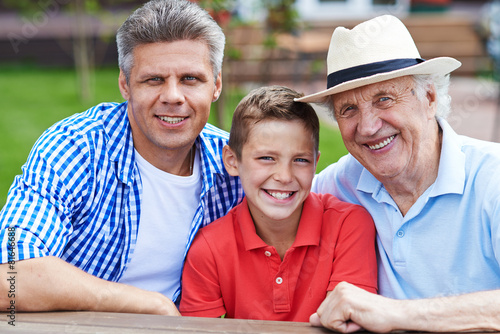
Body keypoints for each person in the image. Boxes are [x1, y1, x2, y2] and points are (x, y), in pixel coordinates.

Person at [0, 0, 243, 315]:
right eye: (154, 79)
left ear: (217, 85)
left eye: (190, 79)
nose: (172, 96)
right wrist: (149, 305)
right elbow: (10, 276)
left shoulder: (236, 165)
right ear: (125, 84)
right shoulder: (76, 149)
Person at [295, 14, 500, 332]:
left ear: (429, 97)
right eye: (349, 109)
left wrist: (397, 313)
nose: (368, 127)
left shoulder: (492, 178)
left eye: (384, 99)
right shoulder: (338, 184)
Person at [179, 85, 377, 322]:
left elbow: (345, 322)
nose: (284, 176)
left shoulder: (348, 226)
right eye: (266, 158)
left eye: (300, 160)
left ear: (316, 163)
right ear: (232, 161)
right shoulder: (208, 250)